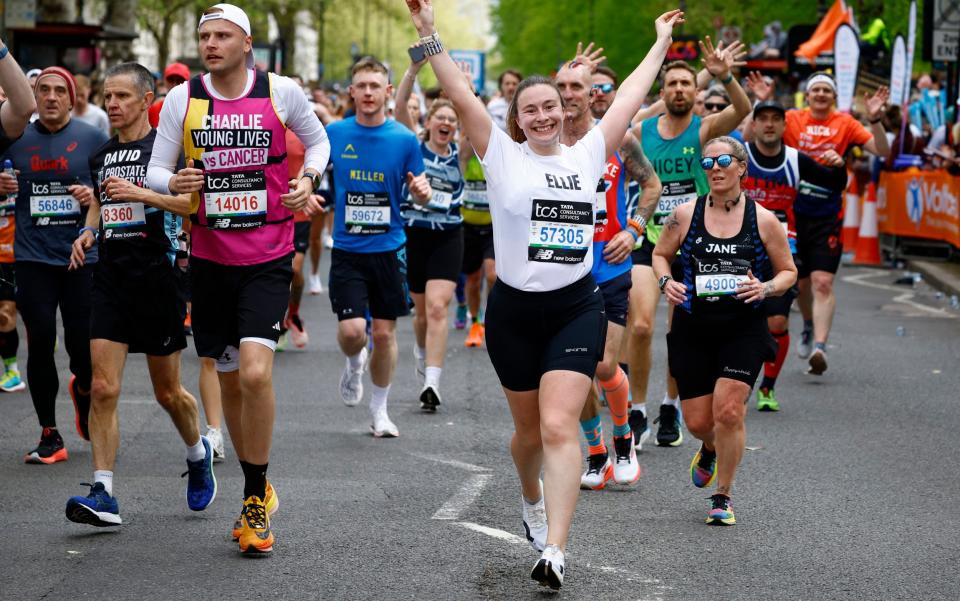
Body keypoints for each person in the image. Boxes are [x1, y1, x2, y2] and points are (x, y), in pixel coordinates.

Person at [406, 0, 683, 589]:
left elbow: (632, 93)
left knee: (560, 427)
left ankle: (554, 549)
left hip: (574, 307)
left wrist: (659, 43)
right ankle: (529, 498)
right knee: (528, 434)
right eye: (529, 109)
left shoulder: (589, 153)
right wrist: (429, 35)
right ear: (517, 118)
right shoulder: (501, 154)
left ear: (565, 110)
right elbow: (457, 90)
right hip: (514, 313)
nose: (541, 116)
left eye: (550, 107)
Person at [146, 3, 330, 555]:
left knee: (254, 374)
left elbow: (317, 143)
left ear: (246, 43)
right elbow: (156, 168)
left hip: (269, 255)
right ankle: (259, 486)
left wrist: (307, 177)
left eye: (223, 35)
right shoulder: (184, 98)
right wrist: (174, 177)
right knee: (228, 381)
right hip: (209, 259)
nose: (211, 43)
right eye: (205, 35)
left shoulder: (280, 91)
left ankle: (254, 498)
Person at [64, 62, 216, 527]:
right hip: (111, 276)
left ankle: (197, 452)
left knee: (168, 392)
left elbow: (191, 205)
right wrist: (88, 232)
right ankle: (103, 492)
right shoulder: (101, 154)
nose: (112, 105)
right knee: (102, 387)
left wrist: (143, 193)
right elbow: (101, 202)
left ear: (147, 99)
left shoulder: (165, 153)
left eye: (122, 97)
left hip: (158, 276)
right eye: (108, 97)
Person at [653, 136, 797, 525]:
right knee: (701, 422)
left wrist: (765, 288)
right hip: (693, 325)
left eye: (723, 161)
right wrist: (666, 283)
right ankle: (711, 447)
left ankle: (723, 496)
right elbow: (660, 254)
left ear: (741, 167)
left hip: (742, 328)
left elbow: (788, 272)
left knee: (730, 412)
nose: (714, 168)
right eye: (707, 162)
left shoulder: (764, 219)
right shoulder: (684, 214)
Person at [628, 41, 751, 448]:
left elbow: (743, 110)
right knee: (642, 324)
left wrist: (724, 75)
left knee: (676, 329)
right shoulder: (643, 131)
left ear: (696, 92)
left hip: (694, 241)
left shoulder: (703, 128)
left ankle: (669, 405)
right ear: (662, 91)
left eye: (686, 83)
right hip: (650, 238)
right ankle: (636, 409)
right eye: (672, 84)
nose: (679, 89)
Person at [552, 54, 659, 490]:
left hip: (609, 263)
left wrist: (633, 230)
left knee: (602, 364)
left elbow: (650, 184)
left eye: (577, 87)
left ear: (593, 91)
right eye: (561, 86)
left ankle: (622, 438)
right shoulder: (543, 139)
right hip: (560, 268)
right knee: (571, 370)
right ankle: (595, 453)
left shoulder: (615, 136)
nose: (568, 95)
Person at [2, 66, 109, 464]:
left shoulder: (93, 138)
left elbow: (114, 195)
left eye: (58, 91)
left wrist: (91, 198)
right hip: (32, 258)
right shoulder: (15, 139)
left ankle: (82, 395)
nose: (50, 97)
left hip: (82, 259)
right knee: (41, 341)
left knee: (83, 351)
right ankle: (49, 433)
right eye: (42, 90)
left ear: (71, 96)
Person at [750, 72, 888, 374]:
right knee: (800, 282)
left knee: (823, 281)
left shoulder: (846, 123)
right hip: (794, 214)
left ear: (834, 96)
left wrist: (875, 120)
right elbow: (752, 137)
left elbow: (883, 151)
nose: (822, 94)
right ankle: (808, 324)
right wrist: (760, 101)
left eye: (827, 90)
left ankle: (821, 347)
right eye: (816, 90)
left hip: (828, 214)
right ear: (807, 95)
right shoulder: (791, 119)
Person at [325, 56, 431, 435]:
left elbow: (420, 194)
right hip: (348, 250)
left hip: (390, 248)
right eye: (361, 86)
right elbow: (314, 177)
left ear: (387, 92)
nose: (368, 93)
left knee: (384, 333)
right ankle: (355, 365)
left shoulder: (404, 138)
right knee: (354, 331)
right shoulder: (334, 134)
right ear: (351, 92)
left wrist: (422, 191)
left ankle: (380, 410)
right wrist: (307, 193)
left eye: (375, 86)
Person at [741, 100, 847, 411]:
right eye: (764, 119)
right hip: (740, 245)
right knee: (737, 320)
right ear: (755, 125)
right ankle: (736, 379)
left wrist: (840, 167)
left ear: (785, 127)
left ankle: (768, 387)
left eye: (776, 119)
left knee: (776, 321)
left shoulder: (795, 160)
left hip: (782, 249)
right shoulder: (740, 156)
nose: (770, 124)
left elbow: (833, 183)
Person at [396, 56, 465, 410]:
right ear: (430, 122)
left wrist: (464, 91)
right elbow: (399, 110)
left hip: (448, 235)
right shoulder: (414, 146)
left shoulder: (461, 155)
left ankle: (433, 382)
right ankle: (422, 352)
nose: (447, 123)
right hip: (414, 235)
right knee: (421, 313)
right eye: (441, 117)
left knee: (439, 308)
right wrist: (412, 70)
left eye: (452, 120)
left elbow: (475, 120)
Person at [0, 35, 39, 394]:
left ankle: (9, 368)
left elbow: (24, 105)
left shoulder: (18, 136)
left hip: (9, 241)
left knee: (6, 314)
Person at [148, 62, 190, 128]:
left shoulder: (194, 109)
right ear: (164, 81)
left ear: (188, 82)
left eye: (180, 80)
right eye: (171, 80)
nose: (175, 84)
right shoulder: (154, 109)